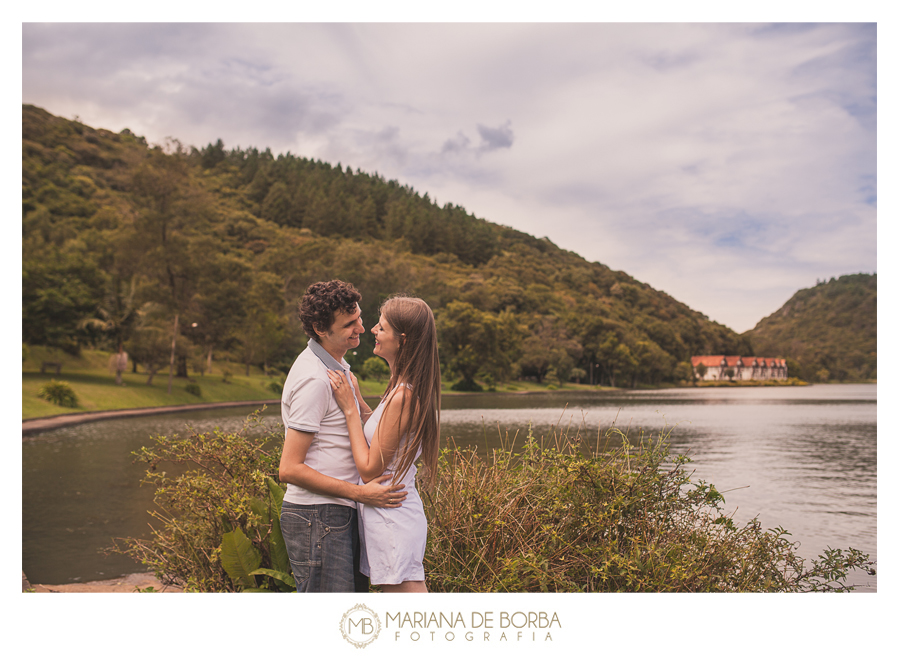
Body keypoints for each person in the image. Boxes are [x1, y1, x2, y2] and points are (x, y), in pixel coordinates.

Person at [278, 280, 408, 593]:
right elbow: (289, 469)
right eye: (349, 324)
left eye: (360, 318)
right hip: (317, 516)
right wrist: (360, 493)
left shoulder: (340, 369)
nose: (362, 329)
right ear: (320, 328)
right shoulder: (314, 379)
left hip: (335, 512)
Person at [327, 295, 440, 592]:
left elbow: (369, 470)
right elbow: (381, 434)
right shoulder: (399, 389)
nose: (373, 330)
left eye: (382, 327)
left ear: (402, 340)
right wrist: (360, 400)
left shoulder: (403, 396)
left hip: (393, 515)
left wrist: (350, 409)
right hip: (389, 513)